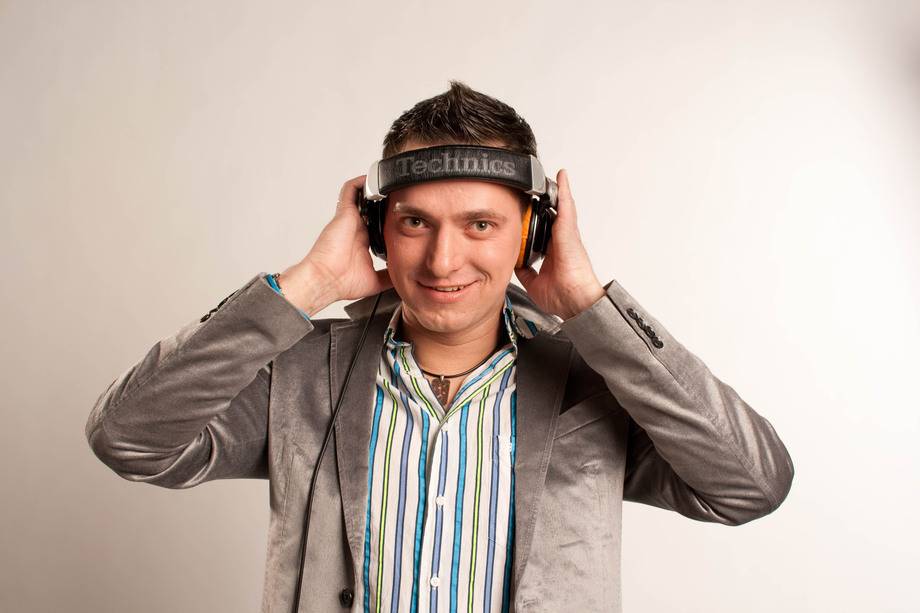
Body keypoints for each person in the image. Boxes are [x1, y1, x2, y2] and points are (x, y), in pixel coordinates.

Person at [87, 82, 793, 613]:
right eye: (415, 222)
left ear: (533, 234)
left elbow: (751, 485)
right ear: (377, 230)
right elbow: (128, 437)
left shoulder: (597, 385)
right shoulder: (299, 374)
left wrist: (589, 305)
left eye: (480, 223)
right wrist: (306, 285)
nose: (442, 259)